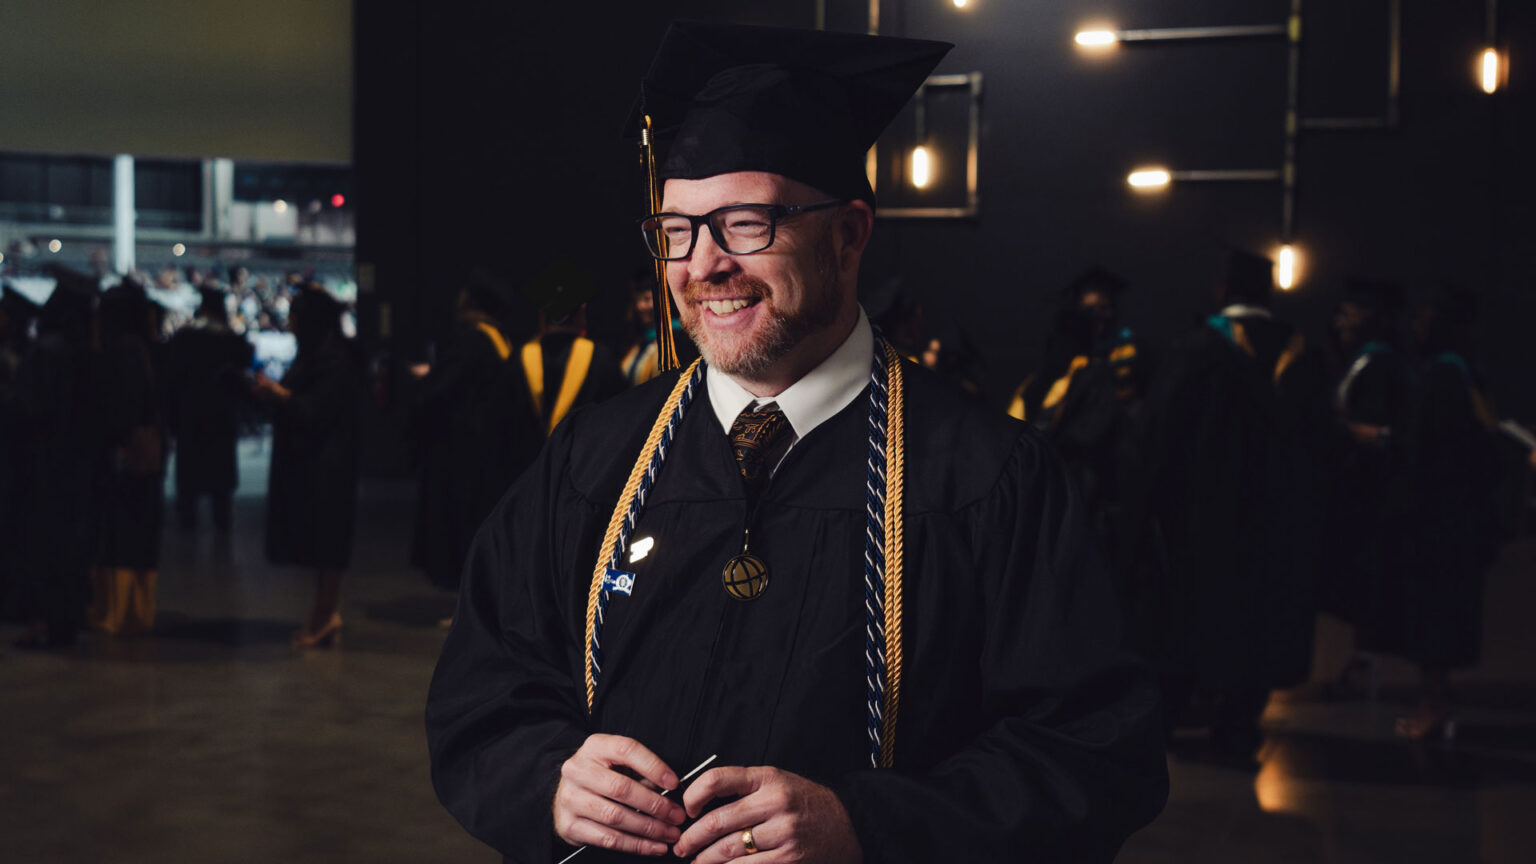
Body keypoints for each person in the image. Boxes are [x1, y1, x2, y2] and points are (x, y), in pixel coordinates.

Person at [427, 22, 1166, 864]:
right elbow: (484, 688)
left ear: (848, 235)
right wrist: (548, 778)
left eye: (745, 223)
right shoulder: (592, 461)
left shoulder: (988, 479)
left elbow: (1094, 754)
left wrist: (868, 825)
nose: (703, 265)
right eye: (677, 230)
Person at [1135, 250, 1326, 766]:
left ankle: (1169, 720)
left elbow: (1160, 436)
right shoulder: (1301, 354)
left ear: (1223, 289)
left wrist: (1144, 508)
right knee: (1260, 617)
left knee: (1188, 615)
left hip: (1203, 518)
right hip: (1278, 520)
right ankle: (1239, 725)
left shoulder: (1198, 347)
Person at [1390, 285, 1504, 738]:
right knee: (1445, 611)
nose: (1415, 325)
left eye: (1424, 317)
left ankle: (1433, 702)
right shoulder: (1469, 372)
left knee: (1433, 615)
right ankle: (1438, 698)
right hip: (1460, 514)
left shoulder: (1443, 375)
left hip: (1438, 515)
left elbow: (1431, 447)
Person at [410, 271, 536, 595]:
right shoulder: (500, 339)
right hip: (491, 452)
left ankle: (467, 602)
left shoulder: (472, 340)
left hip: (463, 454)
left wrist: (426, 380)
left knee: (462, 529)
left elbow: (442, 391)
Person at [252, 284, 361, 649]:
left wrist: (280, 395)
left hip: (329, 466)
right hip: (321, 463)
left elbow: (315, 411)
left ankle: (323, 618)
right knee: (324, 543)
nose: (291, 324)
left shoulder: (333, 361)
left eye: (296, 317)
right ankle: (324, 615)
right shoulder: (323, 354)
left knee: (328, 544)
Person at [87, 278, 167, 636]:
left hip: (123, 455)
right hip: (147, 455)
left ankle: (117, 611)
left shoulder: (120, 352)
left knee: (119, 531)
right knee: (141, 532)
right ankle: (137, 610)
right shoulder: (148, 349)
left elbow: (120, 408)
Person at [166, 285, 255, 533]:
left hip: (190, 415)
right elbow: (243, 366)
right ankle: (222, 524)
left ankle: (187, 526)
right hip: (220, 416)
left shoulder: (184, 336)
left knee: (189, 481)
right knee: (220, 483)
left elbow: (172, 378)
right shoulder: (229, 337)